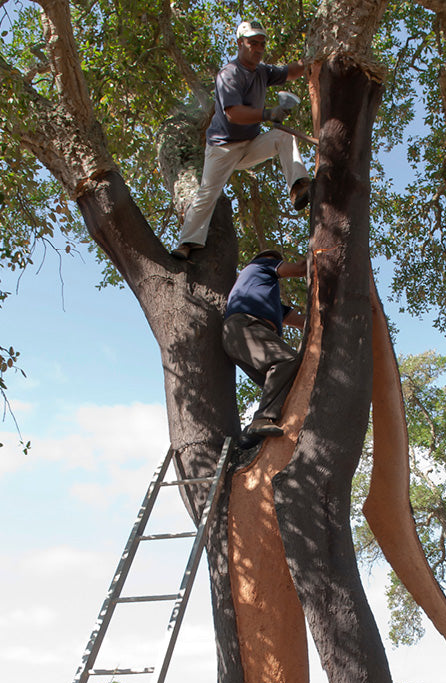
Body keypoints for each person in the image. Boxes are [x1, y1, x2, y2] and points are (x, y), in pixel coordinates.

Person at [172, 21, 311, 259]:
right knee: (208, 193)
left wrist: (315, 60)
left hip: (250, 144)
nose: (258, 49)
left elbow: (291, 71)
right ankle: (187, 243)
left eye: (262, 44)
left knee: (284, 136)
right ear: (240, 43)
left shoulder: (263, 72)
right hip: (222, 148)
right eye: (252, 43)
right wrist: (268, 113)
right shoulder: (230, 74)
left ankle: (299, 187)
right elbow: (233, 113)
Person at [223, 249, 306, 446]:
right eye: (275, 261)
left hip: (245, 335)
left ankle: (250, 437)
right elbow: (302, 268)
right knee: (286, 360)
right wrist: (322, 255)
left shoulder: (269, 301)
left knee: (291, 386)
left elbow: (302, 321)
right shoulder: (258, 266)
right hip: (245, 328)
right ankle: (261, 419)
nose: (277, 263)